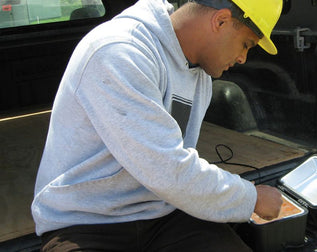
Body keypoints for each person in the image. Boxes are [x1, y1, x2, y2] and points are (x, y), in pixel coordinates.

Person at [31, 0, 283, 251]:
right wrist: (252, 197)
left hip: (163, 213)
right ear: (221, 21)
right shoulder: (120, 50)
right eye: (246, 44)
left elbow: (173, 170)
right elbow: (166, 168)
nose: (242, 58)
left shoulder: (200, 75)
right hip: (85, 222)